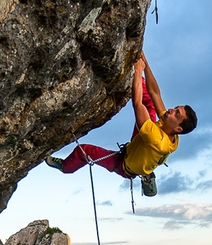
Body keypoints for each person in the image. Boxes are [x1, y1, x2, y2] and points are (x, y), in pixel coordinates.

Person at [46, 52, 197, 185]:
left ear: (178, 128)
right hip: (143, 145)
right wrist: (145, 63)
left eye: (177, 114)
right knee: (150, 102)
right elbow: (155, 94)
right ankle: (147, 170)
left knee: (84, 150)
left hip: (124, 164)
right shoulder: (173, 132)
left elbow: (137, 104)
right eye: (176, 108)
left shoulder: (156, 139)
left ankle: (65, 167)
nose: (171, 110)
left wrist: (138, 71)